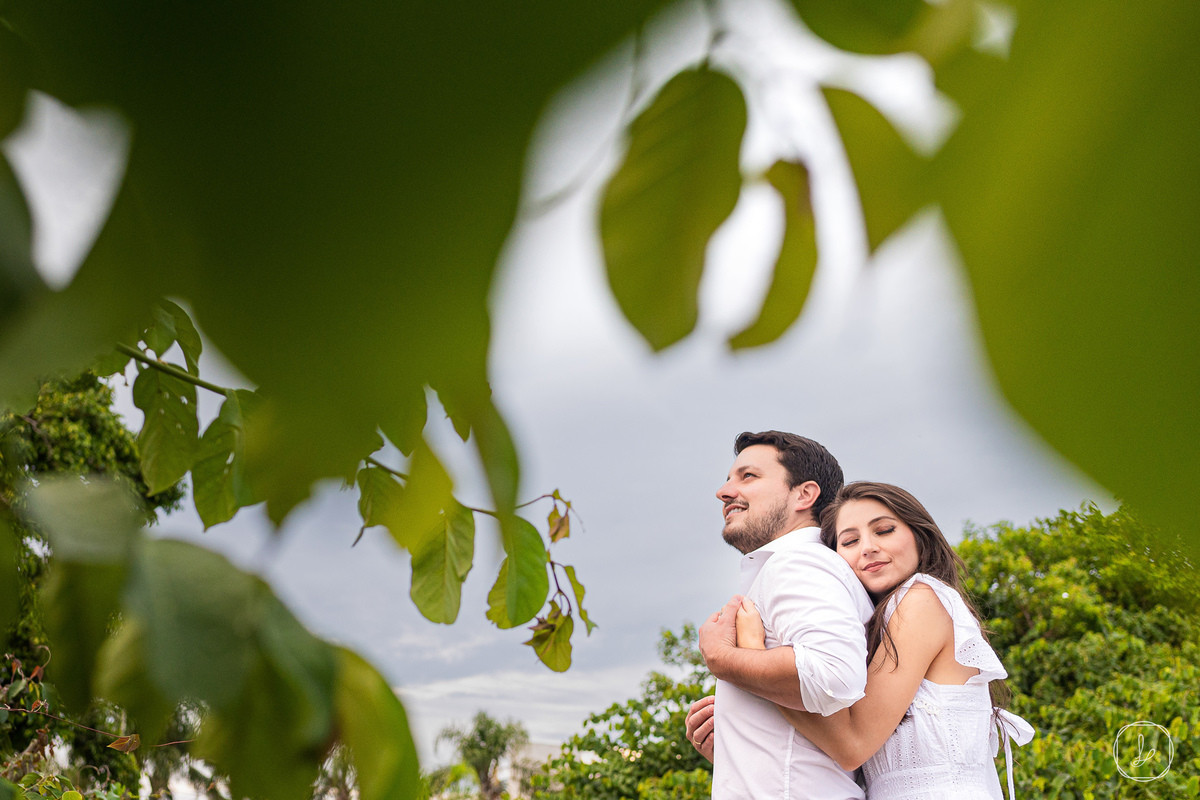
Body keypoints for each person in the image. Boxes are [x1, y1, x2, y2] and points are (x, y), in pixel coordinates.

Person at [696, 482, 1034, 800]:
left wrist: (747, 657)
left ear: (920, 535)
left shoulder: (922, 599)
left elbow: (851, 744)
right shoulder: (882, 624)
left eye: (884, 530)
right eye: (849, 541)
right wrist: (743, 742)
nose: (868, 548)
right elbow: (849, 747)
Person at [686, 431, 876, 800]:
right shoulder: (793, 568)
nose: (723, 492)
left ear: (804, 495)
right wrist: (738, 745)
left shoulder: (800, 562)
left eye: (748, 476)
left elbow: (835, 675)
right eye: (728, 479)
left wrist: (721, 658)